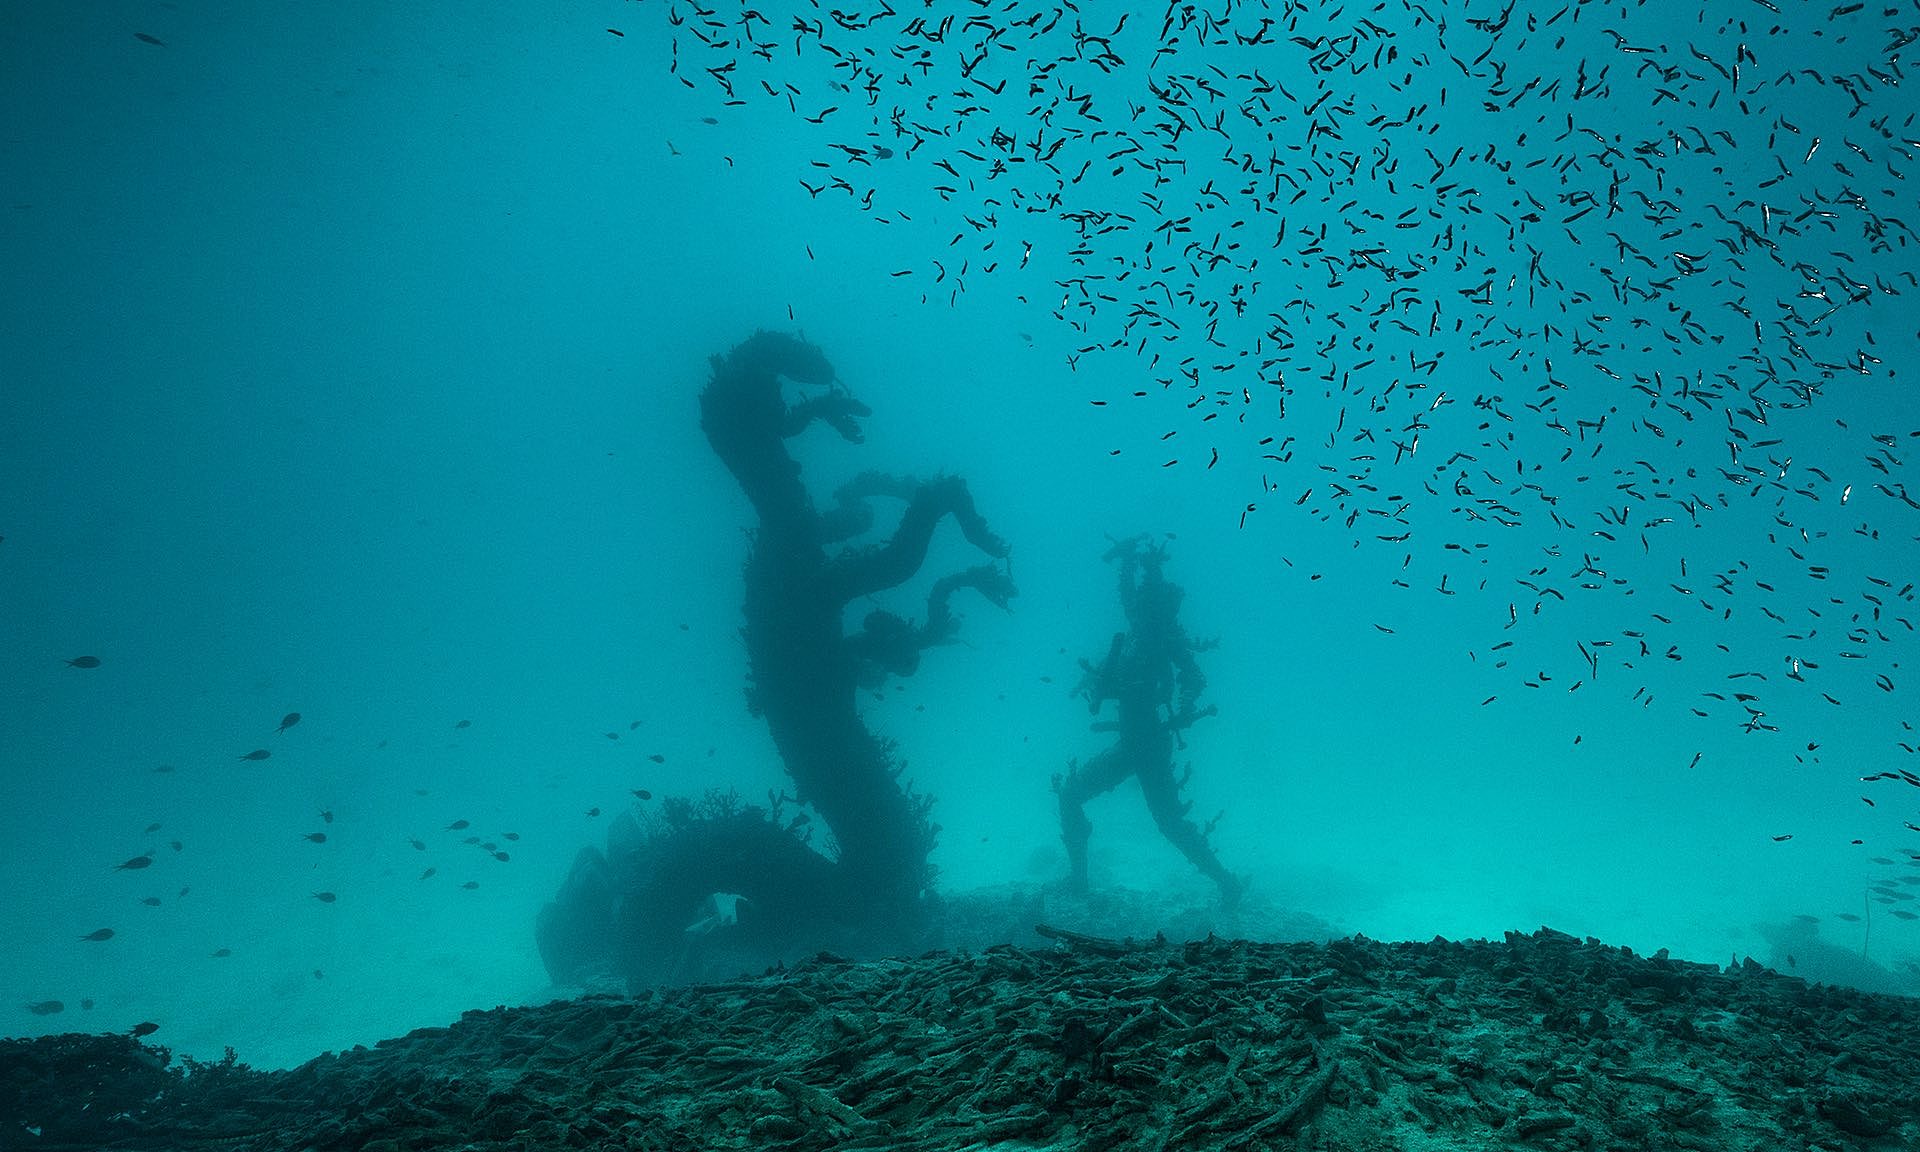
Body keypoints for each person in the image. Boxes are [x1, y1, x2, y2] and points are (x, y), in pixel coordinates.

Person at [1055, 536, 1245, 905]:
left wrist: (1187, 703)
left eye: (1143, 602)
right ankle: (1079, 881)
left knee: (1169, 823)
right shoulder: (1140, 627)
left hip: (1149, 746)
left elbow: (1194, 676)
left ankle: (1227, 883)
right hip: (1132, 744)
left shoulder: (1161, 636)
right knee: (1075, 797)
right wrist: (1127, 561)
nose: (1135, 606)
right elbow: (1126, 596)